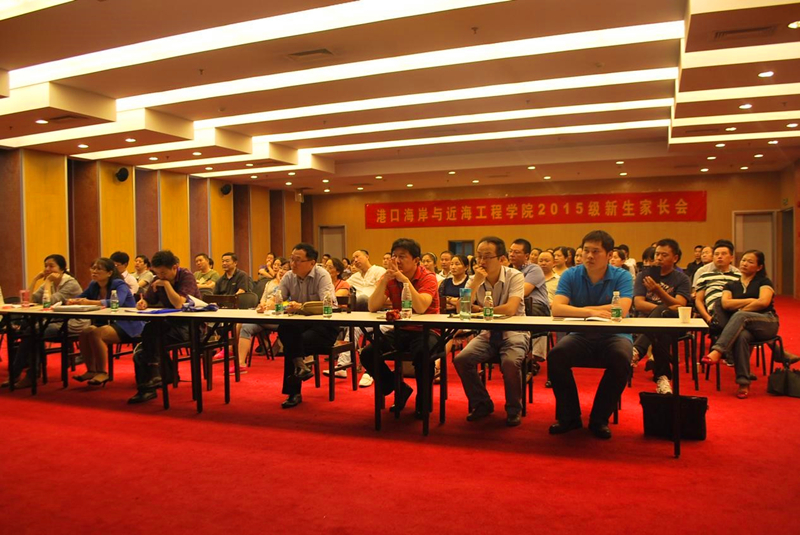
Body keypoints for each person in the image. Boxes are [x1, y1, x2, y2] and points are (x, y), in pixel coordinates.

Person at [547, 230, 634, 440]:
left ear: (609, 254)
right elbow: (557, 309)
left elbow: (621, 310)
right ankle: (569, 417)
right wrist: (591, 312)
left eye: (596, 251)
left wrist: (576, 310)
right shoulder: (571, 274)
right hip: (581, 334)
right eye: (586, 250)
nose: (589, 256)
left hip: (615, 335)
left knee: (622, 358)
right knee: (556, 356)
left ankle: (599, 419)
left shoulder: (622, 276)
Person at [360, 238, 440, 418]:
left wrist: (404, 281)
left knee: (422, 353)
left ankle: (423, 401)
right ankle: (399, 388)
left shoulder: (428, 277)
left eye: (402, 256)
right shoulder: (389, 277)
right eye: (394, 256)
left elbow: (421, 307)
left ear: (416, 260)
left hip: (428, 330)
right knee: (368, 353)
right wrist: (384, 281)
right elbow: (372, 306)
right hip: (401, 329)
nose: (397, 260)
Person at [454, 237, 528, 426]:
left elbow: (511, 309)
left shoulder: (515, 276)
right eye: (479, 256)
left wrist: (481, 311)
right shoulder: (474, 279)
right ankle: (482, 404)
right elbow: (461, 309)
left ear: (501, 259)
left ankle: (513, 409)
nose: (481, 261)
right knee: (462, 360)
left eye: (487, 256)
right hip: (487, 334)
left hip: (514, 333)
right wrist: (476, 283)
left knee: (510, 363)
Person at [702, 251, 787, 398]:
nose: (745, 263)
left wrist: (740, 309)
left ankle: (719, 350)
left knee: (740, 316)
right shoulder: (731, 285)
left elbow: (764, 302)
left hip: (766, 321)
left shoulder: (764, 282)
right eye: (743, 260)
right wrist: (752, 301)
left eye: (750, 262)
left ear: (759, 267)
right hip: (743, 326)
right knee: (741, 336)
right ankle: (743, 382)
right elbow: (726, 304)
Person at [128, 250, 202, 404]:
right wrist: (143, 303)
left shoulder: (186, 277)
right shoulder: (158, 278)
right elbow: (148, 299)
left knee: (150, 339)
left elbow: (179, 303)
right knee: (144, 345)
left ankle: (153, 380)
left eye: (163, 273)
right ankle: (156, 379)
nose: (160, 276)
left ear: (175, 267)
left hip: (190, 326)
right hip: (167, 326)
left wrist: (167, 285)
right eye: (157, 273)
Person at [2, 255, 84, 389]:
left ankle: (25, 375)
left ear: (62, 269)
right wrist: (35, 279)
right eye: (46, 266)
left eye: (51, 266)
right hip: (54, 320)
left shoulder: (70, 283)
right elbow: (30, 299)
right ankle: (27, 372)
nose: (47, 269)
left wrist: (48, 281)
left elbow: (48, 302)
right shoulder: (49, 283)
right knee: (30, 331)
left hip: (72, 322)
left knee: (33, 332)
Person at [275, 243, 337, 409]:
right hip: (301, 326)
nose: (293, 263)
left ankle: (293, 392)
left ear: (312, 262)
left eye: (298, 260)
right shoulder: (289, 276)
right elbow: (278, 299)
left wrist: (301, 307)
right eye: (291, 259)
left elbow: (328, 303)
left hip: (324, 327)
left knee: (291, 344)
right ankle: (301, 367)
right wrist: (269, 304)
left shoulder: (322, 275)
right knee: (285, 329)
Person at [69, 258, 145, 386]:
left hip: (129, 324)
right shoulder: (94, 285)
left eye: (99, 269)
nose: (94, 271)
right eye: (93, 268)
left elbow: (117, 302)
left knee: (96, 334)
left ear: (109, 273)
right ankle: (91, 370)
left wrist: (90, 302)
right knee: (85, 332)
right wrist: (72, 301)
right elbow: (81, 297)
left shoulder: (119, 284)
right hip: (108, 322)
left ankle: (103, 372)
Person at [630, 239, 692, 394]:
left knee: (664, 316)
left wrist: (658, 291)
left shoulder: (682, 278)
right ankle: (663, 378)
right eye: (657, 254)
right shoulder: (644, 275)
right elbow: (639, 304)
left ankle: (637, 350)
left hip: (676, 323)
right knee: (662, 328)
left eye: (664, 255)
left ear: (675, 258)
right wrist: (663, 310)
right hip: (647, 322)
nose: (658, 258)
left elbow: (680, 306)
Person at [237, 258, 290, 368]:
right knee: (245, 326)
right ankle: (240, 363)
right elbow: (263, 299)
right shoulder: (270, 283)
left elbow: (288, 304)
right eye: (281, 268)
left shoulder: (290, 285)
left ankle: (264, 343)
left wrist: (268, 307)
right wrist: (262, 306)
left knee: (244, 322)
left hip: (280, 319)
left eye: (285, 269)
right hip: (264, 316)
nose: (281, 271)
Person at [345, 249, 388, 386]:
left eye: (357, 256)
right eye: (353, 259)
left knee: (363, 299)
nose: (355, 260)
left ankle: (369, 370)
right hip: (359, 313)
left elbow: (382, 291)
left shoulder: (379, 271)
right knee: (353, 327)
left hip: (377, 311)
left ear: (367, 256)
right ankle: (343, 364)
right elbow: (344, 288)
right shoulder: (353, 277)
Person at [695, 240, 741, 332]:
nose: (719, 256)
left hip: (736, 311)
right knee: (719, 303)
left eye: (723, 254)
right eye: (716, 254)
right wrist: (707, 318)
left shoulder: (739, 276)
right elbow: (698, 300)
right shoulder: (705, 276)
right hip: (715, 312)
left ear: (731, 258)